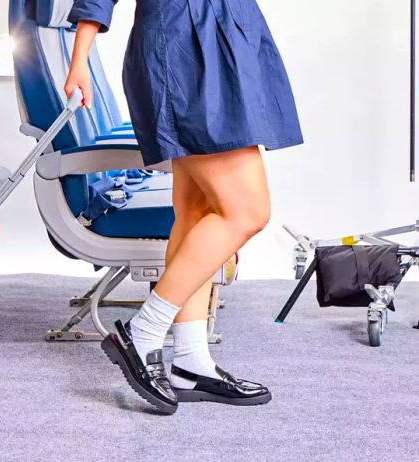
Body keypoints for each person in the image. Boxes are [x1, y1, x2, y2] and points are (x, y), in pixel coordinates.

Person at [65, 0, 303, 414]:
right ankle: (145, 330)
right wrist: (79, 57)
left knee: (196, 214)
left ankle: (190, 363)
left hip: (224, 42)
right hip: (185, 50)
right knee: (247, 212)